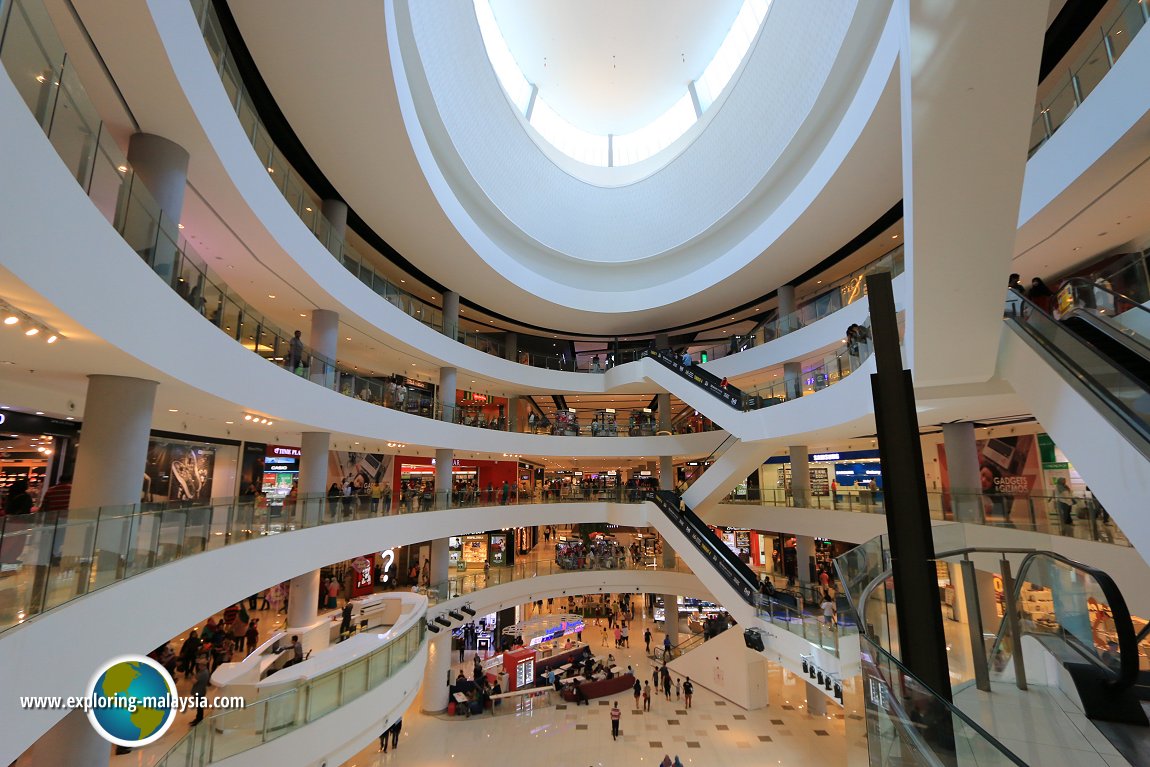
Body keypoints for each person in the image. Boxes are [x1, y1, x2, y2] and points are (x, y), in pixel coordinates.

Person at [189, 660, 211, 725]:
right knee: (199, 707)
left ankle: (199, 720)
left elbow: (194, 681)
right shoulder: (203, 672)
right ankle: (198, 719)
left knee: (199, 707)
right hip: (200, 691)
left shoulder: (203, 673)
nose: (198, 666)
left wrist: (191, 677)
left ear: (203, 665)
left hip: (199, 692)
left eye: (200, 665)